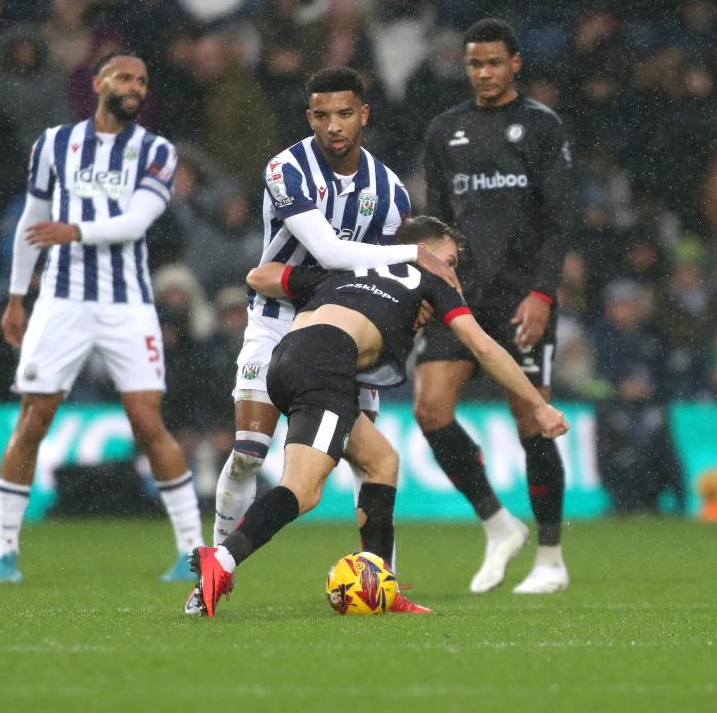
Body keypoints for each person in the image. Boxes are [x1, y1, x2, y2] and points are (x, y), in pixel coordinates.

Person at [190, 216, 568, 617]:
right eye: (451, 259)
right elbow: (484, 348)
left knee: (381, 461)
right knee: (303, 490)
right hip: (326, 363)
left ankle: (381, 583)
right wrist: (538, 406)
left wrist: (335, 285)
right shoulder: (431, 278)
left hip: (287, 357)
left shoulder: (353, 267)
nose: (452, 271)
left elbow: (259, 277)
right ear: (425, 249)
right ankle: (223, 560)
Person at [210, 66, 457, 557]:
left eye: (345, 114)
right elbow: (329, 252)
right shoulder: (287, 169)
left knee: (373, 462)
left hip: (339, 333)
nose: (333, 126)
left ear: (363, 114)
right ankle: (214, 565)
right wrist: (414, 255)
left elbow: (382, 279)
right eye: (321, 116)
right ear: (309, 117)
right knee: (248, 454)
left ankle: (378, 578)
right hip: (276, 320)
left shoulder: (391, 193)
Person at [0, 49, 204, 584]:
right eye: (126, 77)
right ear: (98, 81)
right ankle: (5, 552)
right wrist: (17, 297)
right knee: (33, 420)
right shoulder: (54, 144)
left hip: (127, 303)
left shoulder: (156, 152)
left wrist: (77, 231)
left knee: (148, 421)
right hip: (60, 301)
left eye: (143, 80)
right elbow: (32, 223)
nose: (136, 87)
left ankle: (193, 551)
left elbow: (136, 223)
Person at [414, 19, 576, 594]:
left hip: (521, 297)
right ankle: (497, 522)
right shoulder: (445, 130)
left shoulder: (539, 126)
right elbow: (436, 225)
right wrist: (429, 287)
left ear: (515, 64)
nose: (482, 73)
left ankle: (551, 560)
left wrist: (541, 295)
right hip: (462, 296)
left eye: (492, 63)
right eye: (473, 64)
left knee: (533, 419)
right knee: (430, 409)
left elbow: (560, 222)